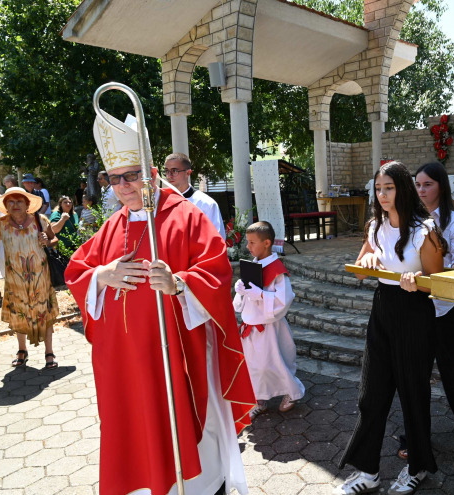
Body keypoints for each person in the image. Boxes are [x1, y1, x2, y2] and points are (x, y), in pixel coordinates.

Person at [65, 111, 256, 495]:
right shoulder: (113, 225)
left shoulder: (186, 217)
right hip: (126, 368)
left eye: (132, 175)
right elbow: (76, 270)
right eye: (115, 178)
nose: (124, 186)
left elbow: (217, 273)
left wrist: (178, 284)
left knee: (191, 460)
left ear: (152, 173)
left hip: (176, 362)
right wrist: (102, 275)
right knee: (136, 441)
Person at [336, 161, 446, 495]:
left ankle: (418, 467)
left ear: (403, 189)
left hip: (414, 313)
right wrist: (367, 261)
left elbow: (439, 282)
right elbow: (359, 271)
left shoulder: (424, 229)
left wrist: (419, 280)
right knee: (371, 394)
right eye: (378, 189)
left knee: (413, 393)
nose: (383, 195)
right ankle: (368, 472)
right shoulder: (375, 226)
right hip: (382, 310)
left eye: (389, 188)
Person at [394, 162, 454, 461]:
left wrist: (448, 264)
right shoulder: (407, 220)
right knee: (415, 375)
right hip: (415, 305)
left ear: (441, 187)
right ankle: (414, 438)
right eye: (418, 185)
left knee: (451, 369)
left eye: (428, 184)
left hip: (448, 306)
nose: (421, 190)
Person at [233, 221, 303, 418]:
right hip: (251, 326)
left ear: (267, 243)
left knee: (272, 365)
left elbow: (284, 299)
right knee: (253, 366)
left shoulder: (277, 270)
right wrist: (241, 291)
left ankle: (293, 392)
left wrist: (261, 295)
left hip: (269, 328)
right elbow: (245, 298)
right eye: (247, 242)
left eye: (252, 242)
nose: (248, 246)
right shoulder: (253, 265)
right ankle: (259, 399)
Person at [0, 187, 59, 369]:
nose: (15, 205)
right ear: (5, 206)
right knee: (19, 313)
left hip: (40, 276)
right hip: (15, 278)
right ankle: (22, 350)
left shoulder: (40, 220)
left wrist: (47, 241)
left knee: (43, 312)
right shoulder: (0, 224)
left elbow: (54, 240)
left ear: (27, 204)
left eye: (19, 201)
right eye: (10, 202)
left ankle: (49, 353)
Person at [163, 153, 226, 239]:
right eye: (167, 171)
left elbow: (217, 239)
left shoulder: (206, 204)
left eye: (174, 171)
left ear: (188, 172)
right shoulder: (161, 202)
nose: (169, 176)